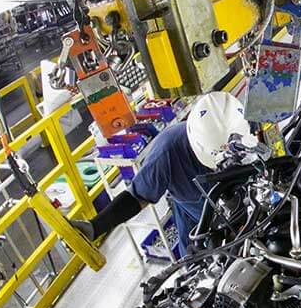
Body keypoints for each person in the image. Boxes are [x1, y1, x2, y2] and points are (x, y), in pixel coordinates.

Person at [74, 92, 256, 256]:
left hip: (251, 214)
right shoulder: (167, 151)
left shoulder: (247, 125)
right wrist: (96, 226)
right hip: (201, 230)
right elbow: (136, 197)